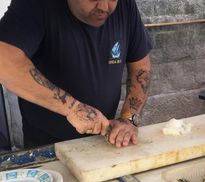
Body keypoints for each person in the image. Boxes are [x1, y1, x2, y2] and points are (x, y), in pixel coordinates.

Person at [0, 0, 152, 148]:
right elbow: (4, 63)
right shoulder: (35, 4)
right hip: (48, 144)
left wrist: (128, 119)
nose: (104, 6)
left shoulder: (125, 5)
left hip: (104, 141)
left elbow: (141, 68)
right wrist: (73, 108)